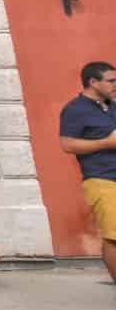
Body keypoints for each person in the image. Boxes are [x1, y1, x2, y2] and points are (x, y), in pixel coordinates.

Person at [57, 61, 116, 283]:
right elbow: (68, 145)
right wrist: (107, 143)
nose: (115, 84)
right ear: (93, 82)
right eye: (111, 81)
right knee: (114, 235)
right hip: (103, 178)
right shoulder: (75, 110)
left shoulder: (112, 106)